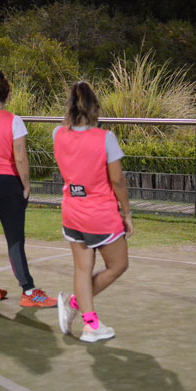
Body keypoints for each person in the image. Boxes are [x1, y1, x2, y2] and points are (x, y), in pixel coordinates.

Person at [0, 69, 57, 306]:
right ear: (8, 96)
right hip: (6, 183)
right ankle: (28, 291)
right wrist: (26, 186)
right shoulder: (14, 121)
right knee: (14, 238)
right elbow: (20, 157)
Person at [54, 81, 133, 343]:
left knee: (81, 270)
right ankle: (77, 308)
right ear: (94, 107)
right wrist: (127, 213)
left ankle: (89, 323)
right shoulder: (105, 138)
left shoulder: (58, 134)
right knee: (118, 265)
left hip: (72, 212)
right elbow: (118, 180)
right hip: (99, 215)